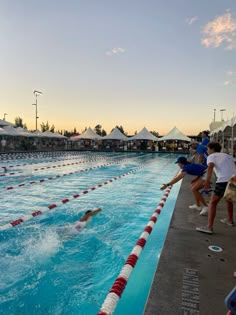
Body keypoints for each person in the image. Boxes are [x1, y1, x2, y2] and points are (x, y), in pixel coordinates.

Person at [196, 142, 236, 234]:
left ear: (212, 149)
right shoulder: (227, 155)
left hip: (223, 180)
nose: (207, 151)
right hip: (234, 179)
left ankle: (209, 227)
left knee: (213, 202)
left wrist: (206, 181)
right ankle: (230, 220)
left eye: (208, 149)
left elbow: (210, 166)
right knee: (228, 198)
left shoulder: (212, 156)